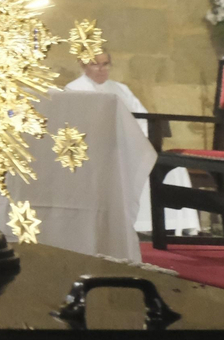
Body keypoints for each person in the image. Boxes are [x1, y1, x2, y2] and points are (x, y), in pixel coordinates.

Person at [66, 52, 200, 235]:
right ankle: (134, 224)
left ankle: (172, 224)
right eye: (95, 64)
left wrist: (141, 142)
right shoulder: (73, 90)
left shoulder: (120, 89)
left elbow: (142, 118)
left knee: (174, 168)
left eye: (106, 64)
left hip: (130, 145)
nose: (101, 69)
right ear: (83, 65)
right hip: (97, 150)